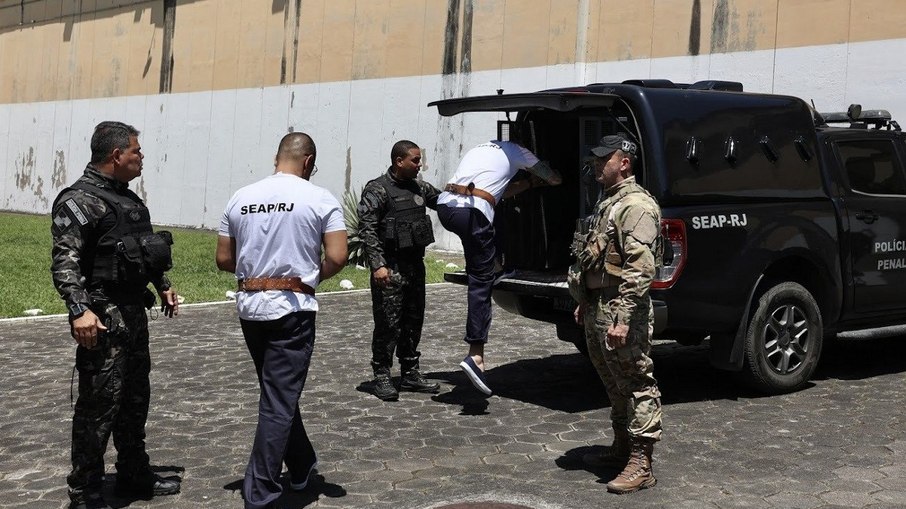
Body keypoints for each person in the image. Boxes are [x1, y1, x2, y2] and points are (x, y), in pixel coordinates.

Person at [50, 121, 181, 509]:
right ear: (116, 154)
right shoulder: (80, 201)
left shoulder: (128, 201)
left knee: (135, 399)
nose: (142, 157)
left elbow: (143, 249)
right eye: (136, 151)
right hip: (103, 317)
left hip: (133, 313)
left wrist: (162, 284)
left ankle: (132, 475)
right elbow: (65, 261)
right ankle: (85, 491)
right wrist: (79, 310)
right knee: (98, 405)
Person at [216, 132, 348, 509]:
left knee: (277, 391)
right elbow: (338, 256)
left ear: (278, 158)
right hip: (293, 308)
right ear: (308, 162)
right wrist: (308, 278)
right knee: (278, 399)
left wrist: (259, 272)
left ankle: (302, 463)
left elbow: (224, 259)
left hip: (250, 306)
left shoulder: (241, 197)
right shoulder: (320, 198)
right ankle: (259, 493)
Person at [569, 133, 663, 494]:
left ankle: (642, 464)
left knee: (636, 381)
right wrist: (584, 298)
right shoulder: (608, 202)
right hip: (599, 305)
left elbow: (640, 268)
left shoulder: (636, 205)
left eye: (603, 159)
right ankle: (622, 447)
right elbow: (596, 258)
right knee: (613, 381)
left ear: (623, 163)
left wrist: (623, 318)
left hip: (622, 308)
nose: (596, 164)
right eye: (595, 158)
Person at [436, 137, 562, 395]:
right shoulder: (519, 151)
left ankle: (495, 267)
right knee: (480, 282)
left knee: (488, 229)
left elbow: (497, 192)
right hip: (472, 212)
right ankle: (476, 355)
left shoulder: (480, 148)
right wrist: (549, 175)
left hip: (447, 207)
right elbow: (552, 179)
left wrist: (527, 184)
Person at [357, 140, 442, 401]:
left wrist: (468, 194)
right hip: (390, 268)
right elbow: (367, 228)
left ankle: (410, 372)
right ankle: (382, 375)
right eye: (415, 160)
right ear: (399, 161)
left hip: (415, 265)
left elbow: (443, 201)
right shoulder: (378, 189)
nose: (419, 165)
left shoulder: (419, 187)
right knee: (388, 324)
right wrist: (378, 265)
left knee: (413, 321)